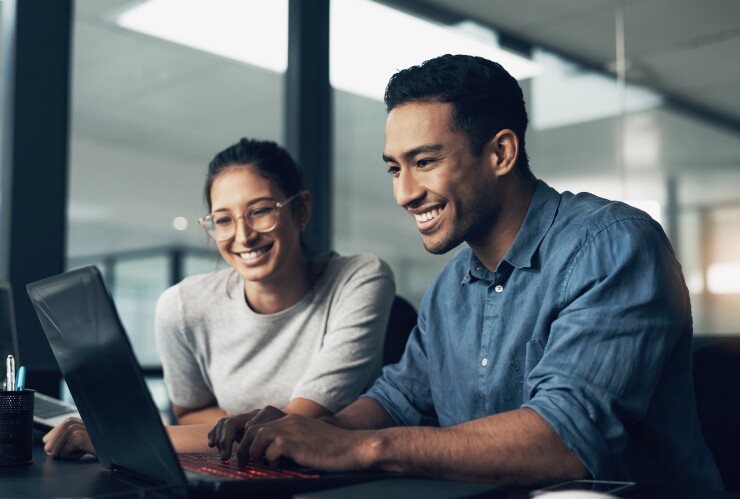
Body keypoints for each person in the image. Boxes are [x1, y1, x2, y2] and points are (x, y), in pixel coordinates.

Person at [209, 55, 724, 491]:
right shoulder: (451, 285)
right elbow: (399, 399)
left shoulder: (613, 244)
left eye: (425, 161)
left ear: (501, 152)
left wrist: (355, 446)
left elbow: (565, 439)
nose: (405, 193)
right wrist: (303, 430)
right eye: (395, 168)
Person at [42, 138, 395, 458]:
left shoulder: (360, 279)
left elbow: (293, 429)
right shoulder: (182, 306)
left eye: (260, 211)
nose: (243, 236)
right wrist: (234, 436)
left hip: (331, 479)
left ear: (300, 210)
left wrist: (119, 437)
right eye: (223, 220)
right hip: (239, 469)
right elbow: (190, 410)